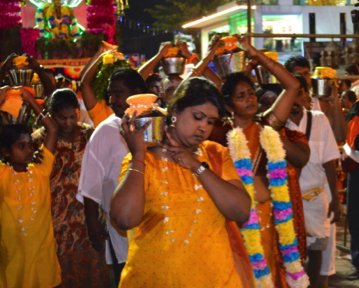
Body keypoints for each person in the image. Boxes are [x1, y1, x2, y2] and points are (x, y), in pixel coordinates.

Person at [110, 41, 255, 288]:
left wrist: (196, 166)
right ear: (175, 111)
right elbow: (124, 219)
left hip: (217, 280)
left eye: (211, 122)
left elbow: (241, 211)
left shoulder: (216, 155)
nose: (204, 128)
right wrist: (137, 154)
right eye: (197, 117)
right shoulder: (147, 160)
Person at [210, 35, 309, 288]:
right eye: (241, 96)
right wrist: (209, 59)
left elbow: (292, 87)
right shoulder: (218, 132)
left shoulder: (267, 125)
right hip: (231, 218)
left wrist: (257, 55)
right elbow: (186, 92)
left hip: (266, 216)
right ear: (228, 104)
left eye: (251, 93)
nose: (250, 99)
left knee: (267, 277)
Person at [76, 68, 147, 285]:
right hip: (122, 233)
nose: (112, 100)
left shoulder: (155, 123)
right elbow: (90, 184)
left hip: (156, 228)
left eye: (118, 93)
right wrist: (93, 227)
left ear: (136, 93)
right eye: (110, 94)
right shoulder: (105, 130)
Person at [32, 88, 109, 287]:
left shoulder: (89, 136)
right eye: (61, 118)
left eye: (72, 117)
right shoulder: (39, 141)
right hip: (55, 222)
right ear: (50, 115)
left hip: (88, 219)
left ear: (78, 112)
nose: (68, 123)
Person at [0, 86, 60, 288]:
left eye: (30, 145)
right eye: (21, 146)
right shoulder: (2, 175)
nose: (29, 150)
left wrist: (31, 101)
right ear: (6, 152)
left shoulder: (41, 170)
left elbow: (52, 129)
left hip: (42, 259)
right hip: (12, 260)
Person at [285, 75, 341, 288]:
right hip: (288, 200)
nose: (296, 99)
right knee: (292, 254)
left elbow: (329, 161)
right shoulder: (278, 122)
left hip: (316, 197)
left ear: (307, 95)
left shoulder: (318, 119)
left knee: (317, 250)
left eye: (299, 93)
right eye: (290, 93)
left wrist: (335, 198)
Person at [284, 55, 347, 142]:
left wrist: (335, 99)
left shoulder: (322, 104)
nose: (304, 78)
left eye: (306, 73)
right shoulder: (283, 105)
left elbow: (340, 137)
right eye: (298, 75)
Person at [343, 100, 359, 280]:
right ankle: (358, 263)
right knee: (356, 217)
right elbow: (354, 141)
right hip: (357, 171)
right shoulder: (357, 110)